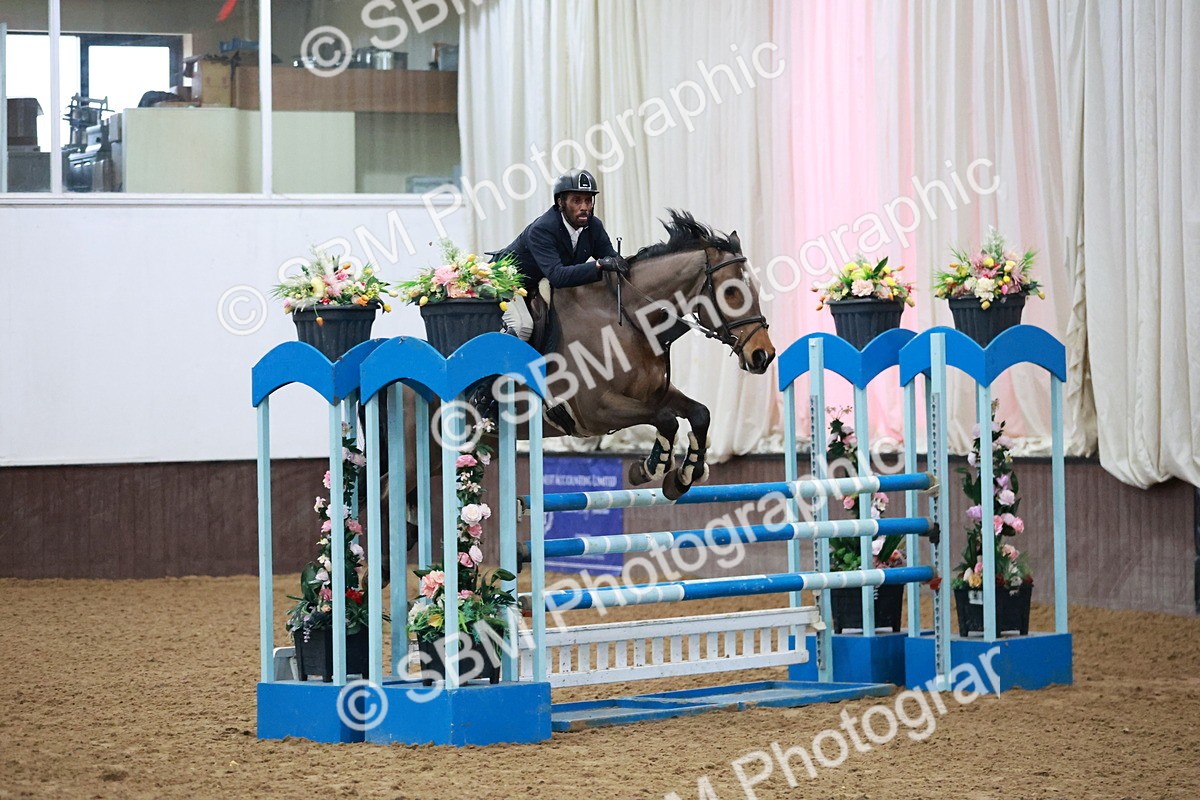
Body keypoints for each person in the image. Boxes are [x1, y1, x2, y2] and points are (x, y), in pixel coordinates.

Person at [493, 169, 629, 340]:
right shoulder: (542, 229)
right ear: (560, 202)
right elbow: (558, 276)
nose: (584, 207)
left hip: (540, 282)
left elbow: (612, 258)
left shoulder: (594, 226)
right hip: (508, 282)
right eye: (576, 201)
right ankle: (506, 366)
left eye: (588, 200)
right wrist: (599, 265)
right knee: (522, 326)